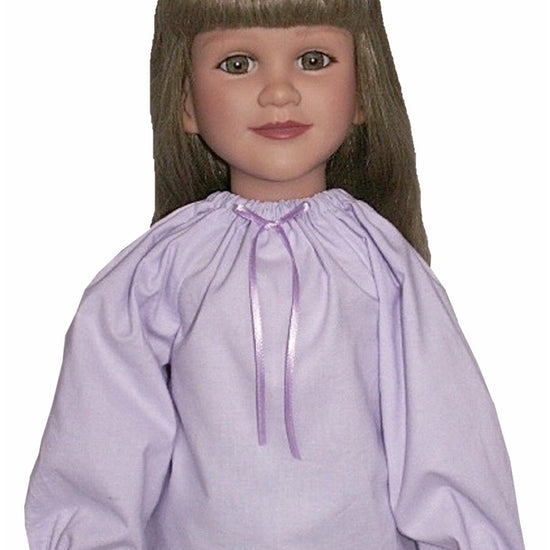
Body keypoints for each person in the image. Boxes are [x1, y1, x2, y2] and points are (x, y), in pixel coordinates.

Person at [25, 0, 525, 548]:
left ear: (362, 91)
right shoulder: (161, 271)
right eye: (238, 64)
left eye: (313, 60)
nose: (279, 92)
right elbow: (101, 442)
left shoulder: (382, 266)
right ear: (187, 103)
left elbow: (444, 437)